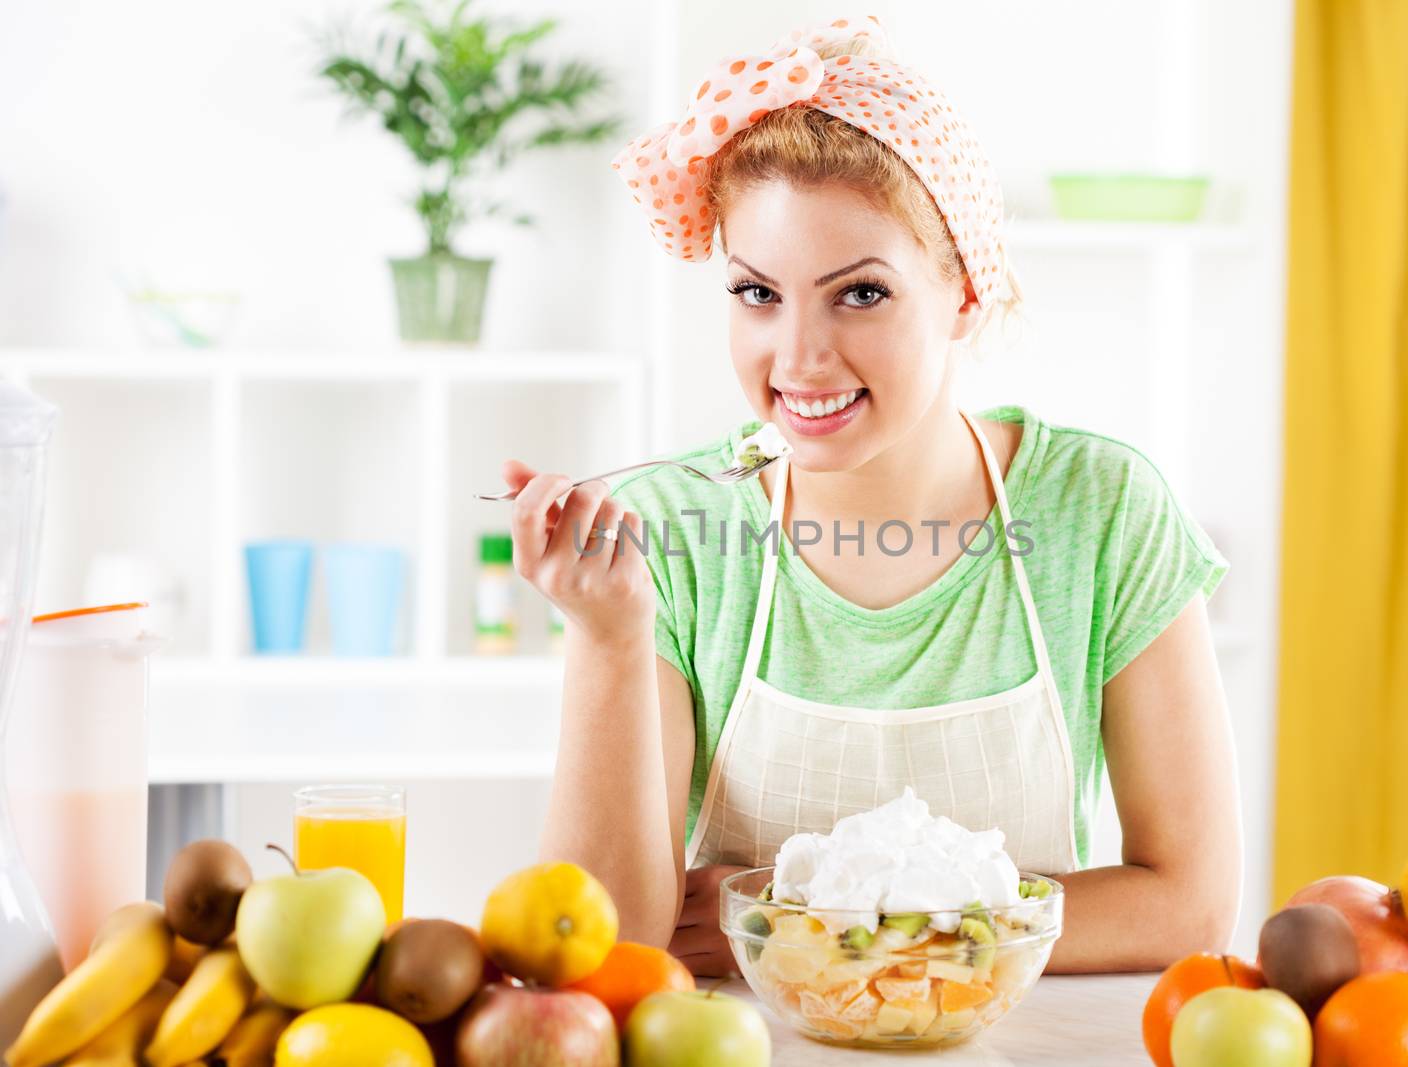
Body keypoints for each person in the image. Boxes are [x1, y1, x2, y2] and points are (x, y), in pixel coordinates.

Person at [501, 15, 1241, 976]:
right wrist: (606, 633)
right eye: (757, 294)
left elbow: (1188, 906)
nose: (799, 357)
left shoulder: (1100, 511)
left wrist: (821, 920)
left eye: (860, 293)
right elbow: (606, 939)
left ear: (965, 292)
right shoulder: (675, 535)